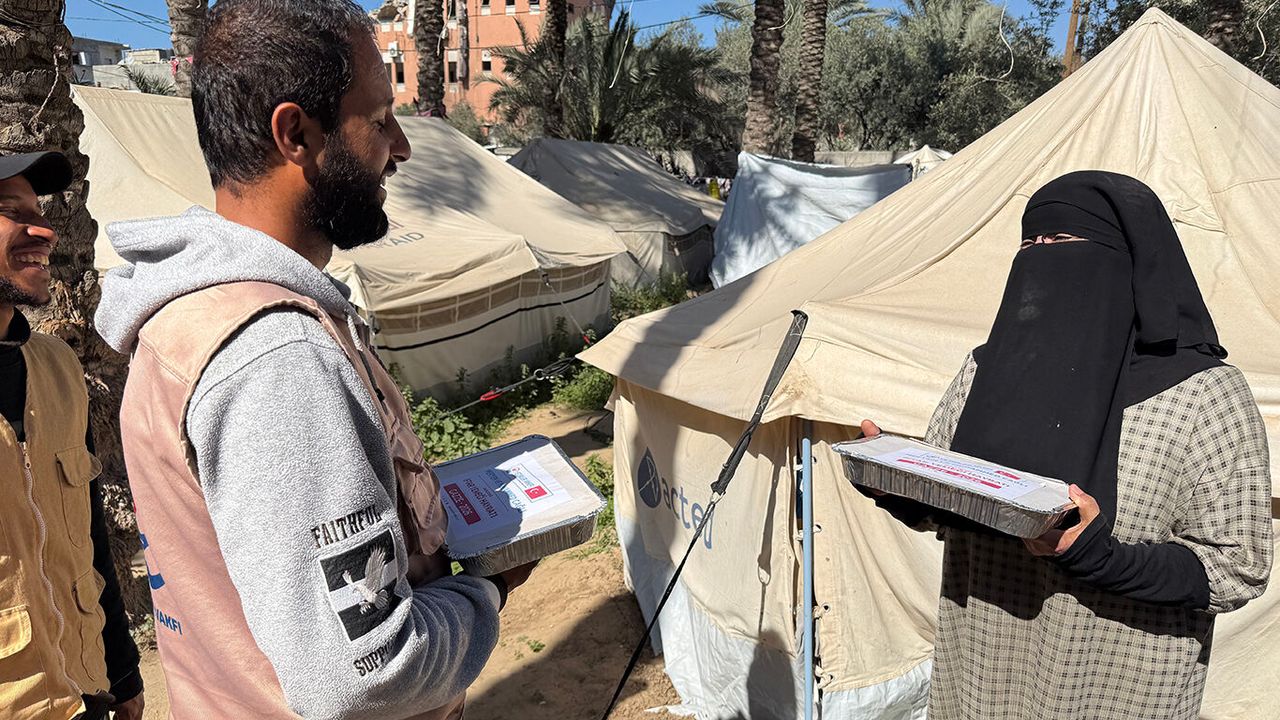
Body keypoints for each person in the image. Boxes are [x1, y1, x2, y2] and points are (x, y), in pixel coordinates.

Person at [94, 1, 533, 718]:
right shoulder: (275, 355)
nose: (401, 147)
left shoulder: (189, 315)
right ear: (296, 133)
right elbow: (365, 674)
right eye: (379, 119)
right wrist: (485, 591)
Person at [862, 171, 1272, 720]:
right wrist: (896, 480)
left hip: (1114, 689)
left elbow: (1238, 565)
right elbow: (949, 502)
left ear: (1126, 259)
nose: (1041, 255)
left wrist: (1102, 559)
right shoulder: (985, 369)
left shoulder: (1202, 395)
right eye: (1030, 242)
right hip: (981, 676)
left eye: (1060, 239)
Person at [0, 151, 144, 719]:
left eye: (39, 213)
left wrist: (123, 672)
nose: (44, 231)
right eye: (12, 212)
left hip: (88, 690)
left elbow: (88, 532)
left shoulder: (58, 366)